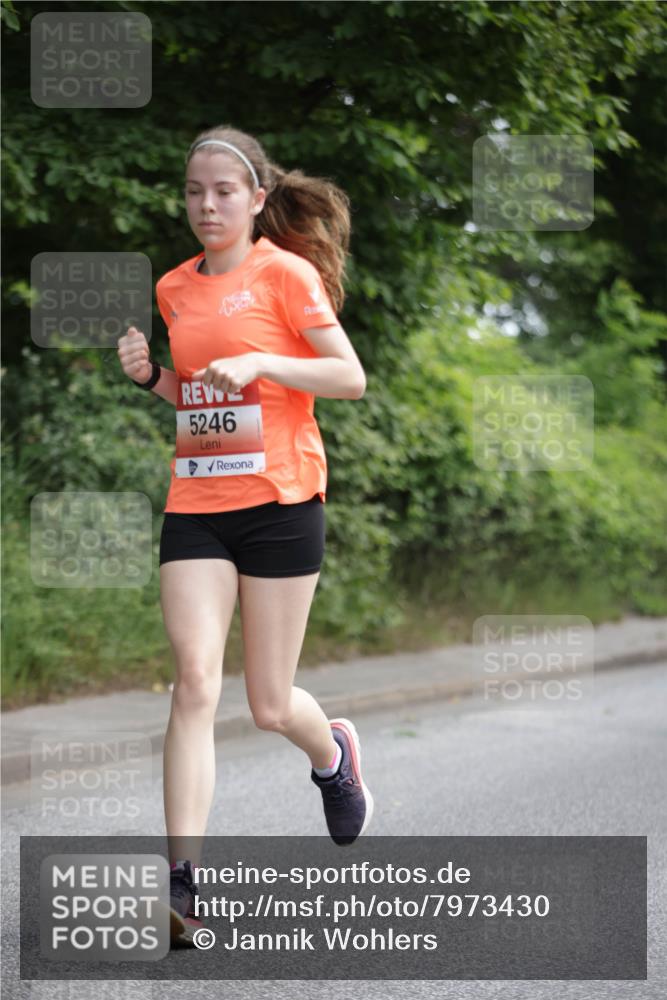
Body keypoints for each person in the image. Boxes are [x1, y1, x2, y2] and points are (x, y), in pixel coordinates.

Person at [116, 125, 374, 944]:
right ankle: (183, 886)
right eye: (194, 191)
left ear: (258, 198)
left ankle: (331, 753)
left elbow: (348, 377)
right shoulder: (173, 289)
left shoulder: (286, 274)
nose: (206, 205)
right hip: (197, 503)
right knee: (193, 682)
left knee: (267, 704)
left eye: (223, 191)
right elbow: (203, 405)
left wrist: (266, 362)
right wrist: (155, 378)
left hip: (282, 502)